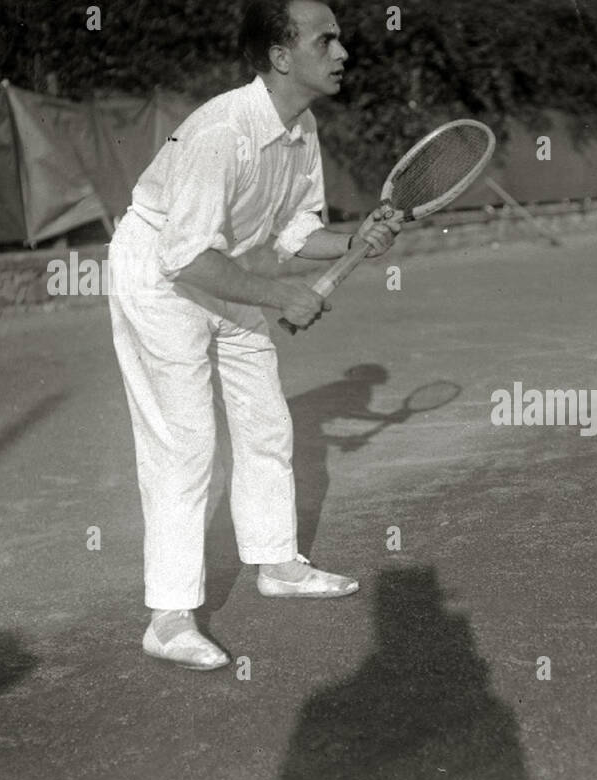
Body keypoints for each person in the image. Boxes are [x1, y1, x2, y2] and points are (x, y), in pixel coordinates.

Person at [106, 0, 402, 670]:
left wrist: (354, 239)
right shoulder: (220, 132)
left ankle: (277, 562)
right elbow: (183, 258)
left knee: (265, 419)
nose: (342, 52)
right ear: (280, 55)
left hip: (224, 263)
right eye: (325, 40)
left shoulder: (303, 130)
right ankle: (170, 615)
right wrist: (282, 294)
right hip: (158, 271)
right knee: (184, 441)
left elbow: (297, 232)